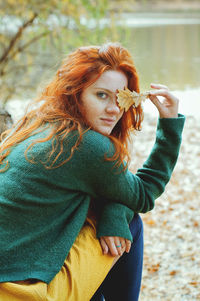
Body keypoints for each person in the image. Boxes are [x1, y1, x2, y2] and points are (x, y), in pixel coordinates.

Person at [0, 42, 185, 301]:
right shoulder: (85, 144)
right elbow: (142, 195)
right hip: (21, 294)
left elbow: (102, 191)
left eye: (121, 97)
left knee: (110, 220)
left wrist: (114, 210)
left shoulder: (40, 125)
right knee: (131, 224)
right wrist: (170, 124)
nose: (114, 109)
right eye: (101, 95)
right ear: (75, 94)